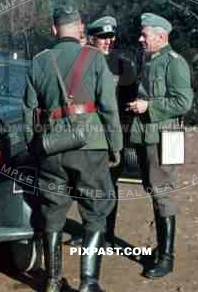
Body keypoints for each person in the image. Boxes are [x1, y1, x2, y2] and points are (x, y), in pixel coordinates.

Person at [23, 6, 123, 292]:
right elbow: (108, 106)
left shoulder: (39, 61)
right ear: (80, 27)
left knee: (52, 211)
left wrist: (36, 147)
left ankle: (53, 280)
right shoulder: (93, 57)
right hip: (90, 144)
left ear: (53, 29)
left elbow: (28, 111)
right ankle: (88, 283)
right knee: (96, 208)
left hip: (50, 147)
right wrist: (115, 144)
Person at [126, 13, 193, 279]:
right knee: (155, 192)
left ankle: (167, 257)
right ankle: (161, 248)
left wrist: (148, 107)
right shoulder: (150, 60)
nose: (141, 38)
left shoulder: (174, 63)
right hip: (148, 137)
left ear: (161, 36)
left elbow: (183, 102)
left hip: (165, 138)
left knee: (163, 194)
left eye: (145, 34)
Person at [65, 16, 137, 248]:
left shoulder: (124, 65)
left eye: (111, 37)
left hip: (112, 134)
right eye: (103, 38)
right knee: (81, 184)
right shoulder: (79, 62)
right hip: (84, 135)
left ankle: (107, 234)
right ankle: (88, 231)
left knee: (109, 186)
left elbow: (128, 104)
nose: (108, 42)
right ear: (91, 39)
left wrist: (119, 135)